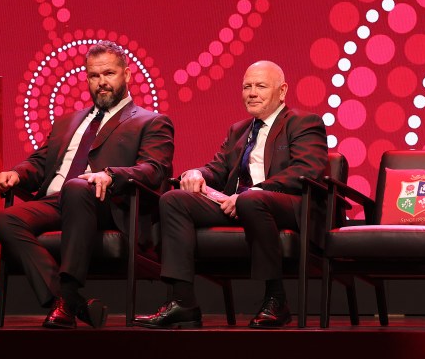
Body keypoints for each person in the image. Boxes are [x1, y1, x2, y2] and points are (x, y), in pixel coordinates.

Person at [0, 42, 175, 329]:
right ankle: (71, 302)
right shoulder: (68, 121)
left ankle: (66, 295)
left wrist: (111, 175)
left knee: (78, 187)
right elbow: (40, 163)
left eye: (109, 74)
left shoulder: (150, 121)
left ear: (127, 75)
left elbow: (154, 170)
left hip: (106, 203)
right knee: (6, 220)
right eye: (93, 76)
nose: (101, 83)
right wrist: (16, 174)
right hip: (57, 201)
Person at [136, 60, 327, 329]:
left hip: (287, 205)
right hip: (239, 204)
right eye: (246, 86)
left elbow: (307, 170)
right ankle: (184, 302)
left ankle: (276, 299)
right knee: (173, 199)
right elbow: (218, 168)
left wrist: (255, 191)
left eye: (260, 86)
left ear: (282, 91)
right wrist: (196, 173)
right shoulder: (239, 130)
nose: (251, 92)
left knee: (251, 199)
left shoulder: (303, 122)